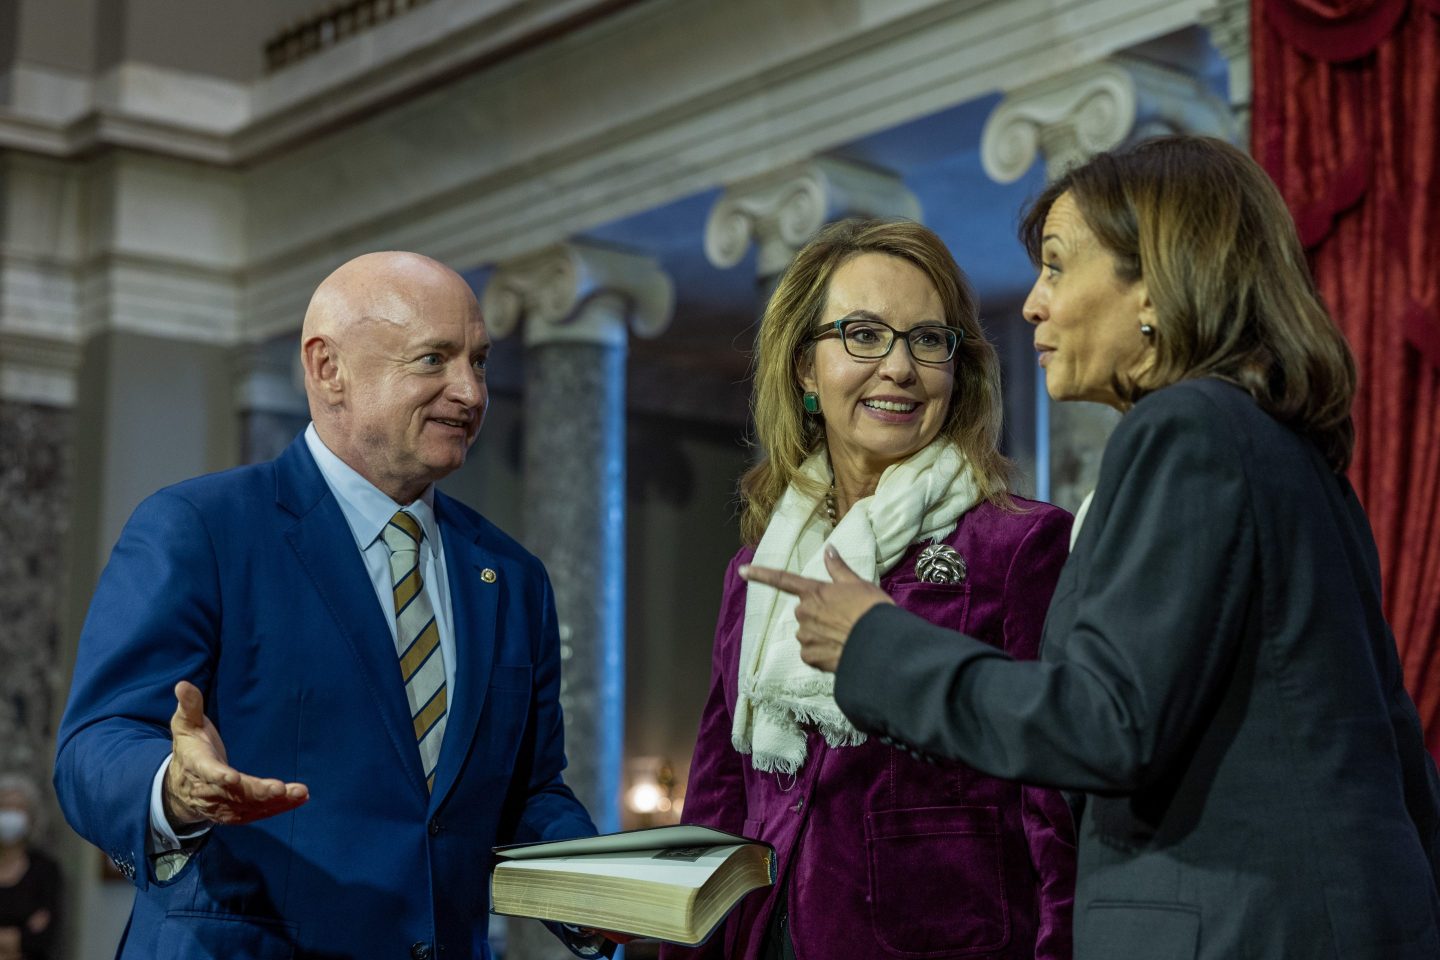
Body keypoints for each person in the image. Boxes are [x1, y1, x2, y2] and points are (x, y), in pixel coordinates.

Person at [741, 136, 1440, 960]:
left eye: (1059, 267)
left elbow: (1107, 723)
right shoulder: (1279, 447)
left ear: (1155, 284)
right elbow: (1397, 754)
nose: (1033, 305)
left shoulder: (1186, 432)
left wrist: (873, 645)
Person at [54, 252, 612, 959]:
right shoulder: (202, 528)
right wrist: (174, 790)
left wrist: (603, 891)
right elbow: (94, 746)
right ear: (327, 368)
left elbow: (530, 794)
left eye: (479, 361)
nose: (470, 392)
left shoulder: (511, 576)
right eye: (433, 359)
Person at [662, 218, 1077, 960]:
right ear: (804, 369)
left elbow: (1055, 806)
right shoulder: (758, 565)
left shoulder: (1019, 544)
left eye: (927, 340)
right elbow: (721, 797)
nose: (900, 367)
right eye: (863, 335)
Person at [0, 774, 60, 960]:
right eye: (5, 806)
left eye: (18, 808)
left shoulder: (45, 870)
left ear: (32, 817)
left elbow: (43, 938)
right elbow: (30, 935)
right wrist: (19, 936)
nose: (11, 813)